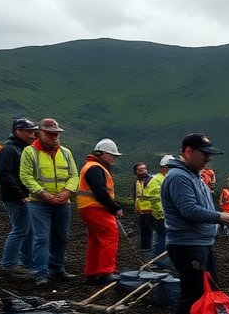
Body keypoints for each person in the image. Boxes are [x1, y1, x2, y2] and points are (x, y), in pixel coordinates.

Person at [161, 134, 229, 314]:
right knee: (191, 295)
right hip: (187, 244)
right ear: (188, 151)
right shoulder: (178, 178)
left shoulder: (194, 176)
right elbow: (189, 210)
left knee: (205, 294)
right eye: (205, 154)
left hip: (201, 243)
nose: (208, 159)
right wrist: (219, 216)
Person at [19, 118, 78, 284]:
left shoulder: (66, 153)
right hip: (39, 202)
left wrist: (67, 192)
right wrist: (43, 193)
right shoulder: (30, 152)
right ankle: (41, 273)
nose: (55, 137)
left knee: (61, 237)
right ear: (40, 133)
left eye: (57, 134)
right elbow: (26, 176)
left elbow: (74, 175)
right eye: (51, 134)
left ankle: (57, 269)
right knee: (42, 238)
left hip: (62, 202)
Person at [76, 138, 125, 284]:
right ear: (102, 153)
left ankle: (92, 273)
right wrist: (115, 208)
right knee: (110, 237)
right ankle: (106, 272)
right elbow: (100, 191)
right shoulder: (95, 168)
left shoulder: (92, 166)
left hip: (89, 207)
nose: (114, 159)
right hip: (96, 207)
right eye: (112, 155)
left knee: (96, 240)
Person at [0, 116, 39, 280]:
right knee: (20, 229)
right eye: (29, 131)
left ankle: (26, 264)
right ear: (18, 131)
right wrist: (21, 195)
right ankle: (8, 265)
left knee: (27, 230)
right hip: (15, 198)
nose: (32, 134)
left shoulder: (22, 149)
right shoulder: (9, 150)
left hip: (22, 197)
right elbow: (5, 175)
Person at [144, 155, 171, 263]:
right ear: (165, 167)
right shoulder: (158, 180)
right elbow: (156, 199)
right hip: (159, 215)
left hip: (158, 214)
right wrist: (162, 213)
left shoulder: (161, 178)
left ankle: (159, 260)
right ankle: (160, 262)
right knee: (162, 238)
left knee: (161, 237)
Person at [132, 161, 156, 259]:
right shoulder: (137, 182)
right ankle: (145, 246)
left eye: (144, 169)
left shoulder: (151, 180)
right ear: (136, 172)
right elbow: (136, 196)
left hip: (151, 209)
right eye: (140, 170)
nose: (143, 171)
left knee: (153, 230)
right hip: (142, 210)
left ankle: (152, 248)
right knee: (144, 229)